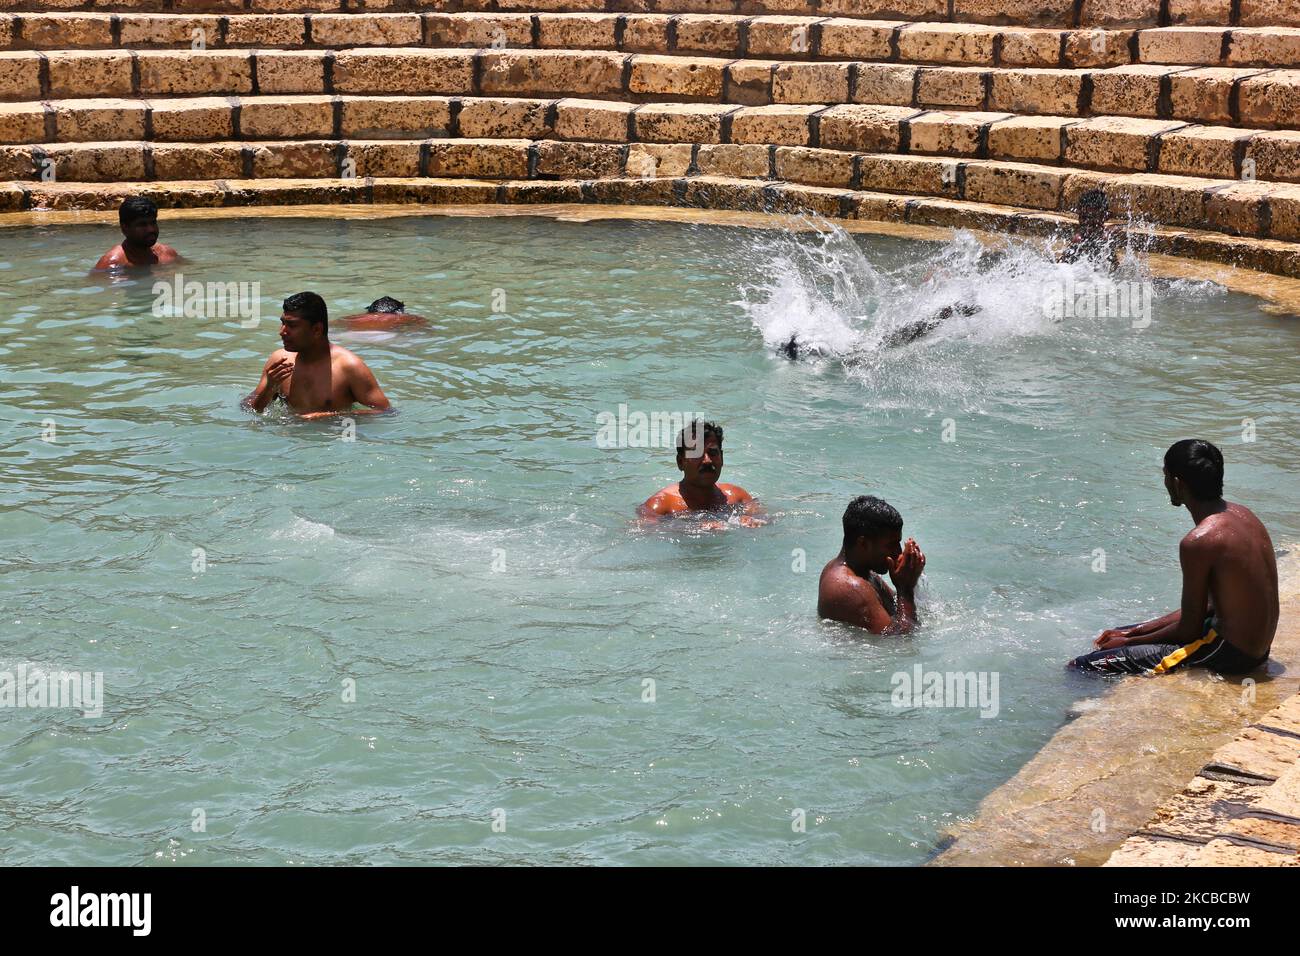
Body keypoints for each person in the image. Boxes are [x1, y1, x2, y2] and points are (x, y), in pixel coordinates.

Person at [1070, 440, 1279, 676]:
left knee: (1085, 665)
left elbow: (1188, 630)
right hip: (1250, 646)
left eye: (1165, 475)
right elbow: (1212, 605)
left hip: (1229, 653)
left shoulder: (1199, 541)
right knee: (1113, 636)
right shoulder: (1244, 515)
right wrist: (1133, 632)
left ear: (1177, 483)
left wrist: (1127, 644)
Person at [243, 292, 391, 418]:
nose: (282, 331)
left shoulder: (349, 366)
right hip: (288, 444)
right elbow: (251, 409)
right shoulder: (280, 361)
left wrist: (330, 416)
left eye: (292, 325)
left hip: (331, 444)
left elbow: (386, 412)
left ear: (317, 330)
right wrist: (269, 388)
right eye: (282, 323)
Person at [818, 495, 925, 634]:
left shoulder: (863, 572)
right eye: (891, 545)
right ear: (863, 543)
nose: (898, 552)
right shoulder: (850, 587)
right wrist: (905, 589)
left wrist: (910, 574)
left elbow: (895, 605)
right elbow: (899, 640)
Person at [638, 420, 762, 525]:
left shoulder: (738, 497)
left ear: (722, 458)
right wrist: (693, 528)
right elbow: (646, 532)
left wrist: (750, 522)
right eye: (697, 454)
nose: (707, 461)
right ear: (680, 462)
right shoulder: (660, 506)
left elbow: (766, 520)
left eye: (713, 453)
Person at [92, 197, 180, 270]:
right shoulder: (111, 264)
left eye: (153, 222)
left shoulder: (167, 254)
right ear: (124, 228)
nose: (151, 229)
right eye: (142, 225)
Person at [1057, 189, 1121, 268]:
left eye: (1092, 217)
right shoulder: (1079, 240)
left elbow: (1115, 265)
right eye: (1083, 217)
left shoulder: (1108, 236)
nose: (1087, 222)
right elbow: (1061, 266)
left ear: (1105, 216)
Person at [342, 296, 428, 332]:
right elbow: (427, 330)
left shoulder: (353, 318)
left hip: (352, 336)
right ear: (400, 311)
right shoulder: (403, 317)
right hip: (387, 338)